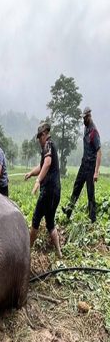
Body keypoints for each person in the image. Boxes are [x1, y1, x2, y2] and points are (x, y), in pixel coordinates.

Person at [24, 122, 62, 258]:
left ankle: (27, 252)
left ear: (45, 134)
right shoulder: (51, 146)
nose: (39, 140)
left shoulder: (48, 144)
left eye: (40, 136)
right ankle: (58, 252)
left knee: (35, 220)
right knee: (50, 222)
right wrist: (30, 173)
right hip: (56, 191)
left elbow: (47, 163)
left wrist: (37, 181)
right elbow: (42, 167)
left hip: (47, 191)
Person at [62, 107, 102, 222]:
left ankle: (92, 219)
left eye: (85, 118)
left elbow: (99, 152)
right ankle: (69, 211)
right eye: (83, 118)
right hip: (83, 164)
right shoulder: (86, 128)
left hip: (90, 166)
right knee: (76, 187)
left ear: (89, 116)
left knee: (90, 193)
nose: (83, 120)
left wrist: (96, 172)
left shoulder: (94, 132)